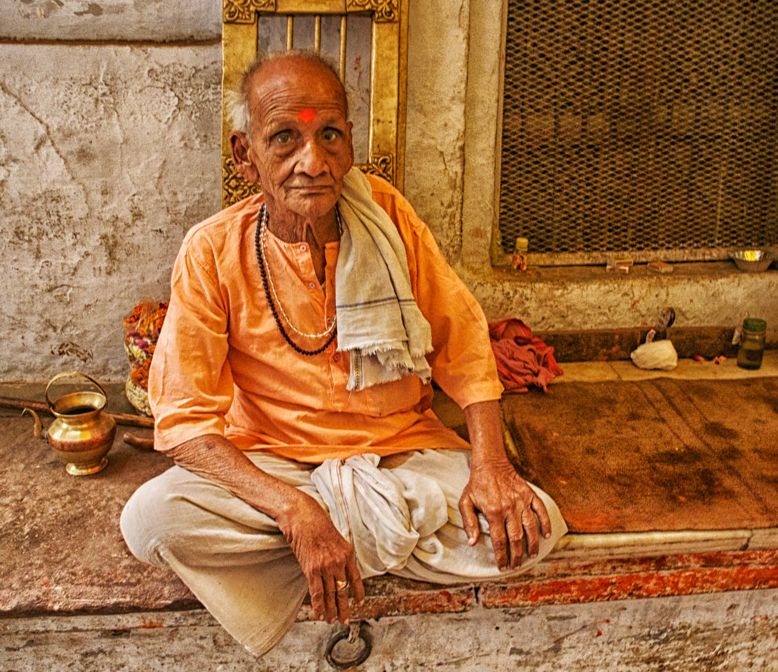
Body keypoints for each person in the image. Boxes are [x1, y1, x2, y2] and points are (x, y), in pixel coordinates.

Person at [120, 50, 567, 656]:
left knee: (535, 524)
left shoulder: (387, 216)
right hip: (274, 465)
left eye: (329, 134)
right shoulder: (210, 251)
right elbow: (183, 424)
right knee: (150, 519)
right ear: (244, 155)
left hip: (398, 457)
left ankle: (332, 554)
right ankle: (359, 542)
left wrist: (491, 467)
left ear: (351, 141)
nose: (314, 161)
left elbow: (463, 345)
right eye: (285, 138)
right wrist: (296, 510)